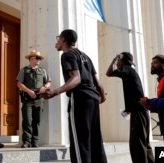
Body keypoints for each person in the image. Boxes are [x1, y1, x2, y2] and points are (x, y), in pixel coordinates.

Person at [41, 29, 107, 163]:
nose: (56, 41)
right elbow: (98, 83)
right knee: (95, 139)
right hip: (93, 99)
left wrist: (54, 92)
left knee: (80, 140)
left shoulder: (67, 55)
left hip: (81, 98)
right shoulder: (85, 56)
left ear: (64, 40)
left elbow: (76, 79)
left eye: (58, 38)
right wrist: (101, 97)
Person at [106, 52, 154, 163]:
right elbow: (109, 73)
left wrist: (115, 59)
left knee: (137, 145)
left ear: (122, 61)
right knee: (145, 144)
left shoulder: (127, 70)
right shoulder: (130, 72)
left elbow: (109, 73)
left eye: (118, 61)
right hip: (142, 112)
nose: (117, 63)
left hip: (138, 113)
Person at [16, 50, 51, 148]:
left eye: (39, 58)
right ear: (31, 59)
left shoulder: (42, 71)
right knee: (27, 120)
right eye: (37, 58)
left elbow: (48, 82)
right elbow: (19, 84)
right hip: (27, 98)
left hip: (39, 99)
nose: (39, 60)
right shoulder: (24, 70)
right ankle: (26, 141)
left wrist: (45, 87)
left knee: (37, 120)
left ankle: (35, 141)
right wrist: (28, 91)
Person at [140, 54, 164, 148]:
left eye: (155, 63)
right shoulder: (163, 80)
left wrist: (149, 102)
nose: (152, 65)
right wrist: (148, 105)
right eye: (152, 63)